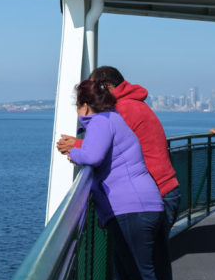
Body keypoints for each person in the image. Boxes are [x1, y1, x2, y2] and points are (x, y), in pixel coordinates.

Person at [57, 66, 179, 280]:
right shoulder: (128, 107)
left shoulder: (120, 111)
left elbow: (100, 147)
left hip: (141, 199)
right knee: (151, 272)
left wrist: (75, 148)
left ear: (104, 88)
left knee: (145, 275)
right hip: (155, 193)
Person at [58, 66, 181, 223]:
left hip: (155, 193)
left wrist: (75, 145)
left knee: (144, 247)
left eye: (95, 89)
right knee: (156, 247)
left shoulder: (123, 109)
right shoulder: (132, 104)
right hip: (162, 189)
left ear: (107, 87)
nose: (92, 94)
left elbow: (105, 147)